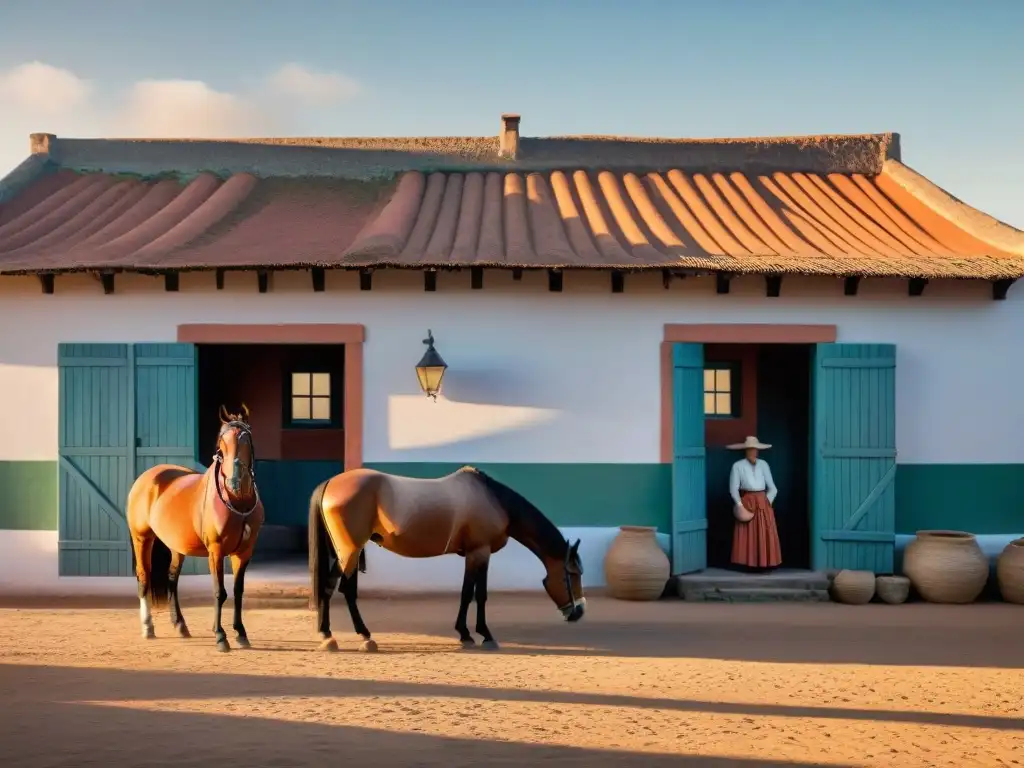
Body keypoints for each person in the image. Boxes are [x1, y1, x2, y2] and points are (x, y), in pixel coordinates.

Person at [727, 435, 782, 571]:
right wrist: (740, 506)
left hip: (763, 502)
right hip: (747, 502)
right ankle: (746, 564)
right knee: (747, 533)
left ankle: (764, 564)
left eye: (755, 450)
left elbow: (773, 488)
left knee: (764, 532)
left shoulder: (763, 465)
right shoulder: (737, 466)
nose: (753, 452)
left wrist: (767, 502)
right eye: (750, 449)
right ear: (745, 451)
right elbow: (733, 488)